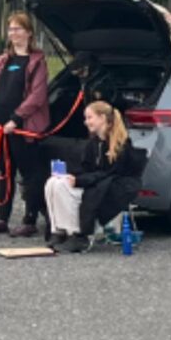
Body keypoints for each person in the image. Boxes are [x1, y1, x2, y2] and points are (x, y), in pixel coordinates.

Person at [0, 11, 53, 238]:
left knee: (29, 174)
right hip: (0, 127)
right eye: (11, 29)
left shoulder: (37, 61)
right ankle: (1, 219)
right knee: (5, 172)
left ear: (29, 33)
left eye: (17, 29)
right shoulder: (3, 60)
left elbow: (37, 96)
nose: (13, 33)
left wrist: (16, 118)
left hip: (24, 128)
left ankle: (30, 220)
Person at [42, 100, 147, 253]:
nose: (86, 122)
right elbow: (86, 168)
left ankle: (77, 233)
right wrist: (71, 175)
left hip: (111, 185)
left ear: (102, 118)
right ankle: (58, 230)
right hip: (95, 182)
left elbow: (108, 173)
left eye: (90, 117)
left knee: (64, 186)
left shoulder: (121, 145)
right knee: (53, 182)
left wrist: (79, 181)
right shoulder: (93, 143)